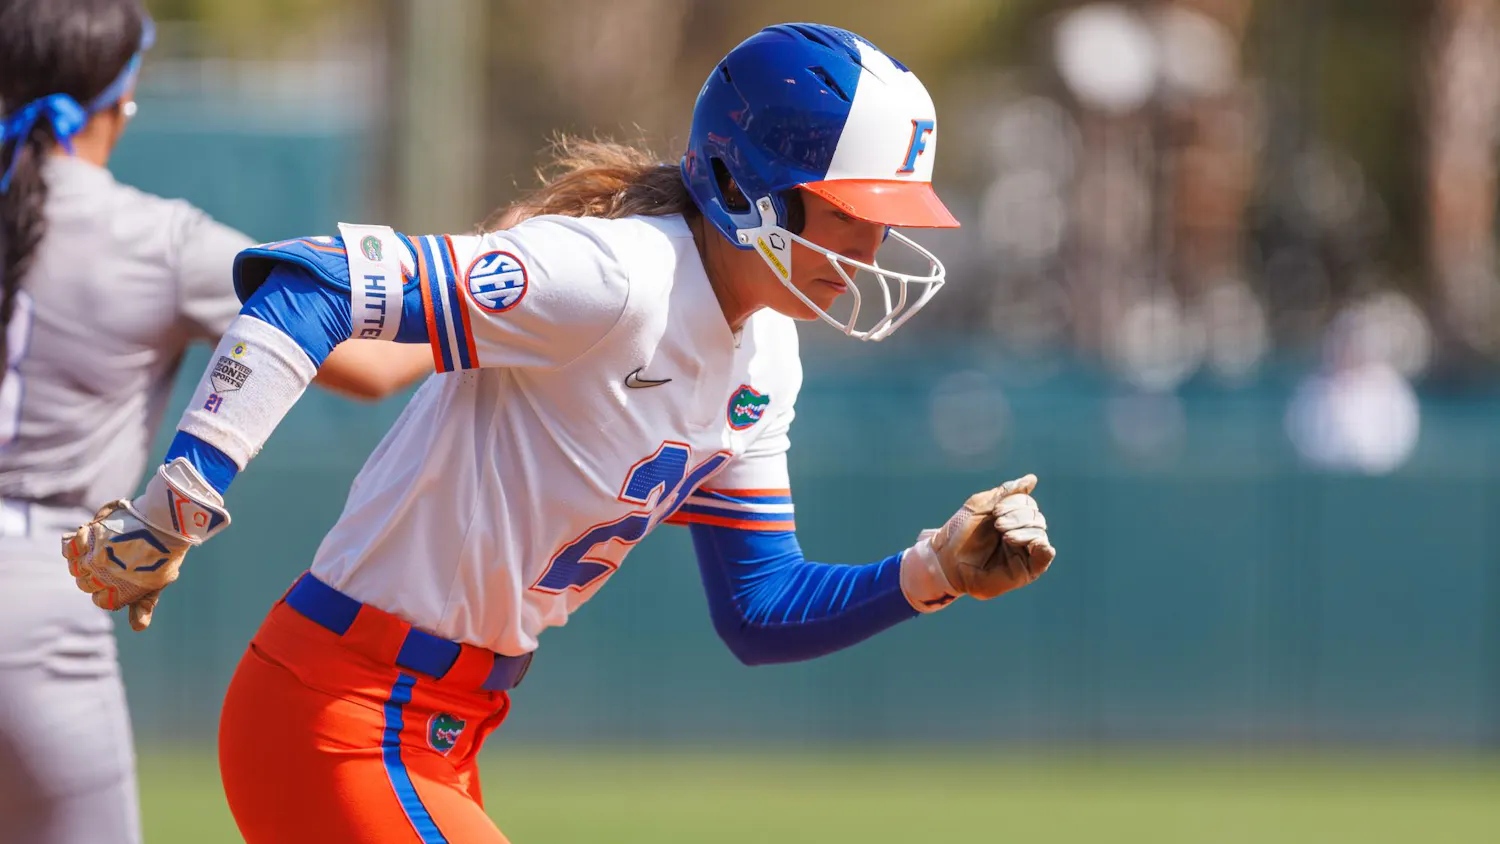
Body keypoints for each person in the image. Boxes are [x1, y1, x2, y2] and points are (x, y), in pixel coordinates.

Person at [62, 22, 1057, 843]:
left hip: (442, 733)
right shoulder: (615, 276)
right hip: (336, 711)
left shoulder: (766, 357)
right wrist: (175, 504)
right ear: (752, 185)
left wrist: (935, 571)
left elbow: (759, 608)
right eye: (851, 212)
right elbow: (311, 286)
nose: (876, 246)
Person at [0, 1, 432, 842]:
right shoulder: (161, 239)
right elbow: (371, 367)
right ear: (119, 101)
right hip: (42, 594)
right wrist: (495, 275)